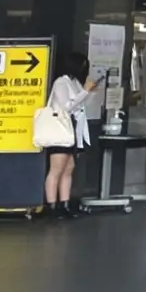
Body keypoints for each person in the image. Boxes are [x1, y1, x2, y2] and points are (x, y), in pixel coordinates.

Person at [38, 51, 100, 218]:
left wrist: (89, 92)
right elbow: (66, 106)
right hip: (60, 130)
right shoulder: (61, 83)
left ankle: (64, 204)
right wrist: (85, 91)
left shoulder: (74, 83)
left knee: (68, 168)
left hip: (71, 131)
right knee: (56, 169)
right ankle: (51, 205)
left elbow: (82, 103)